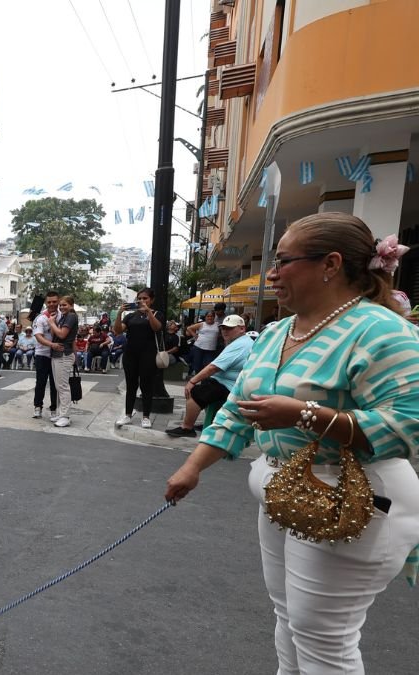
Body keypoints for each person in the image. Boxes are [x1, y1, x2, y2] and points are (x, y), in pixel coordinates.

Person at [165, 213, 419, 673]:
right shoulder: (280, 332)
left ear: (331, 264)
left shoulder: (382, 331)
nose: (273, 274)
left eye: (283, 261)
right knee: (289, 620)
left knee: (324, 637)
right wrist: (194, 466)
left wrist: (303, 413)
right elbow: (237, 408)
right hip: (287, 493)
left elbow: (408, 424)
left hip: (353, 498)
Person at [165, 315, 253, 438]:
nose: (225, 331)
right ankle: (210, 422)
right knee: (206, 384)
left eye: (230, 328)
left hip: (231, 385)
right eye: (223, 328)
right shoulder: (240, 342)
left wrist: (192, 381)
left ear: (242, 329)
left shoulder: (239, 344)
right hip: (228, 382)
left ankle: (187, 428)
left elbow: (214, 367)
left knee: (194, 393)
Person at [112, 289, 164, 430]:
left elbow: (157, 328)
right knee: (131, 385)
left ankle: (146, 416)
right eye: (139, 298)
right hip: (130, 354)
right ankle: (128, 414)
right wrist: (119, 314)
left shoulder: (156, 314)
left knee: (146, 386)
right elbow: (117, 331)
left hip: (148, 354)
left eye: (145, 298)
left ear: (151, 300)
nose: (142, 301)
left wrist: (148, 312)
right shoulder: (130, 316)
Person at [46, 295, 78, 428]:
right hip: (59, 354)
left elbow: (62, 335)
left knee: (63, 386)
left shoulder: (71, 316)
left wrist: (51, 323)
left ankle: (65, 416)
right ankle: (62, 413)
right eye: (61, 305)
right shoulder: (65, 317)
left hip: (64, 354)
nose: (61, 307)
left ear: (71, 305)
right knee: (60, 386)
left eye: (64, 305)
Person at [31, 292, 60, 419]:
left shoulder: (63, 316)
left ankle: (54, 409)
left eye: (54, 301)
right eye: (49, 302)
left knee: (55, 384)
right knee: (41, 383)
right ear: (46, 303)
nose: (52, 304)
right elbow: (39, 337)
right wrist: (52, 345)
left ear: (58, 301)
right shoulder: (40, 318)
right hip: (42, 355)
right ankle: (38, 407)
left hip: (57, 355)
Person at [186, 311, 221, 376]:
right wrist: (194, 335)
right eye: (208, 316)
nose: (210, 318)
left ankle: (205, 379)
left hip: (211, 348)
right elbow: (189, 328)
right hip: (199, 347)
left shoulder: (217, 325)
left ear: (214, 317)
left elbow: (221, 333)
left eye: (211, 316)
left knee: (208, 365)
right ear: (205, 317)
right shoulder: (202, 324)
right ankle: (197, 379)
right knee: (197, 364)